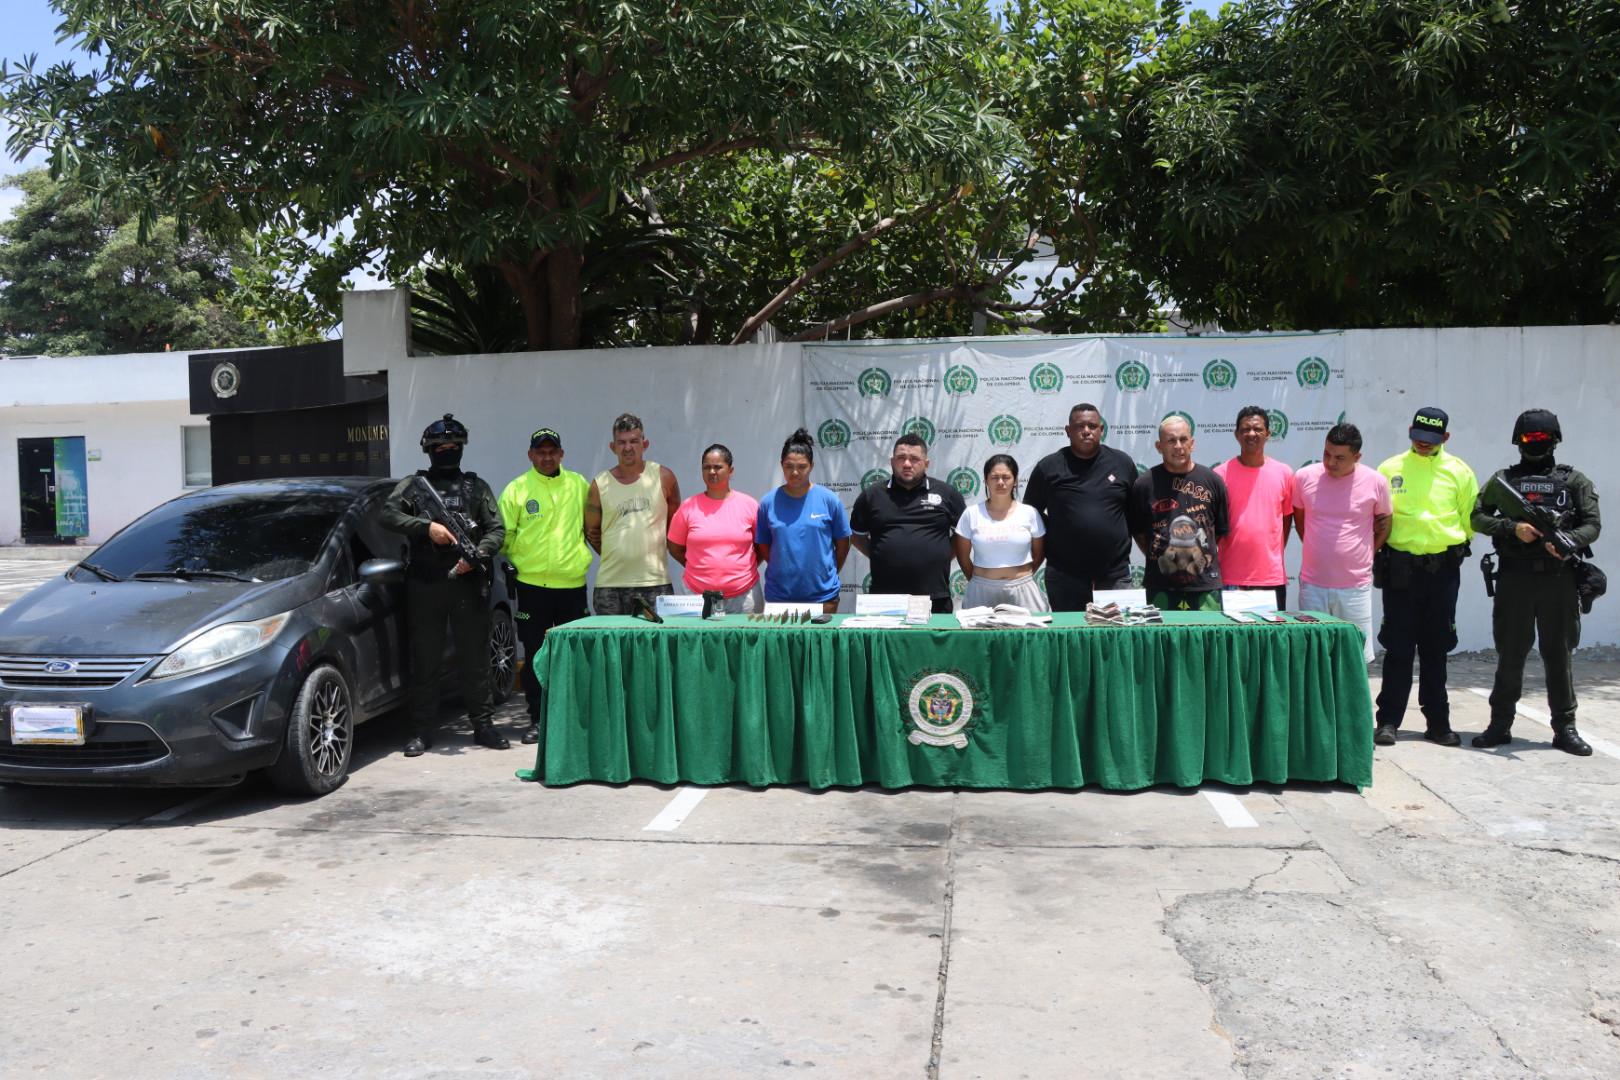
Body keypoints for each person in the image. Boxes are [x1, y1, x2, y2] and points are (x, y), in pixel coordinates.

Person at [1469, 409, 1601, 755]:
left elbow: (1592, 524)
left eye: (1542, 440)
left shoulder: (1575, 481)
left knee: (1558, 653)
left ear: (1555, 441)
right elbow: (1478, 517)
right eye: (1529, 439)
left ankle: (1565, 727)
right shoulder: (1505, 482)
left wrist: (1568, 542)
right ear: (1518, 442)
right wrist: (1513, 528)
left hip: (1559, 580)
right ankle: (1500, 724)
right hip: (1515, 578)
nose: (1536, 445)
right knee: (1511, 653)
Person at [380, 413, 510, 756]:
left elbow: (496, 529)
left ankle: (483, 726)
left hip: (467, 583)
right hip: (426, 583)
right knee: (425, 659)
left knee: (475, 658)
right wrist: (427, 529)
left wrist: (478, 554)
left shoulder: (475, 487)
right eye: (441, 447)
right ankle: (422, 730)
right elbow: (388, 514)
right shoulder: (414, 486)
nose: (448, 451)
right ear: (429, 450)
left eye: (453, 446)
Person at [1373, 406, 1478, 748]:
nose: (1423, 444)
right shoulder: (1389, 469)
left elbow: (1468, 521)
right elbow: (1377, 517)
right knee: (1398, 647)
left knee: (1436, 648)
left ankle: (1438, 723)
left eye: (1431, 440)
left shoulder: (1459, 472)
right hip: (1400, 571)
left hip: (1442, 573)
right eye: (1418, 437)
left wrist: (1442, 549)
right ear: (1410, 432)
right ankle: (1388, 721)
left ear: (1445, 438)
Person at [498, 426, 593, 746]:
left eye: (553, 451)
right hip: (532, 587)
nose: (547, 456)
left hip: (572, 585)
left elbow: (592, 527)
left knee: (574, 655)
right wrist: (520, 564)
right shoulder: (517, 489)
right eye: (541, 451)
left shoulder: (579, 485)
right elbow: (504, 537)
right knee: (536, 655)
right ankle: (538, 719)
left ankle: (574, 719)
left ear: (562, 454)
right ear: (531, 455)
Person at [1023, 403, 1139, 610]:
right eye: (1079, 426)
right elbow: (1029, 514)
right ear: (1068, 431)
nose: (1086, 431)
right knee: (1071, 638)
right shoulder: (1049, 467)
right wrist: (1060, 530)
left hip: (1115, 575)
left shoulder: (1122, 463)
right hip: (1065, 575)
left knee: (1116, 637)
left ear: (1101, 430)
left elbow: (1135, 512)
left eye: (1092, 426)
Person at [1292, 423, 1392, 664]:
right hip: (1313, 586)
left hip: (1355, 587)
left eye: (1340, 457)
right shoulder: (1304, 477)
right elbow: (1300, 520)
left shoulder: (1376, 482)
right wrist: (1320, 549)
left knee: (1354, 657)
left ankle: (1354, 704)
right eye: (1327, 454)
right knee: (1313, 656)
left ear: (1357, 457)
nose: (1331, 462)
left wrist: (1366, 552)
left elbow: (1385, 524)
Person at [850, 433, 967, 613]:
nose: (907, 464)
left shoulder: (947, 494)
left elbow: (963, 536)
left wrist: (941, 555)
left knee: (931, 642)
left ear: (926, 463)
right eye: (901, 458)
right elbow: (857, 537)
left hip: (934, 597)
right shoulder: (872, 495)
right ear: (892, 461)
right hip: (884, 598)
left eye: (914, 459)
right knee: (884, 642)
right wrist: (879, 553)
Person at [1128, 415, 1229, 611]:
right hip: (1160, 587)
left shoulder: (1213, 481)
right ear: (1159, 446)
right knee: (1161, 640)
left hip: (1205, 586)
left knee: (1206, 639)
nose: (1178, 446)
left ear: (1192, 443)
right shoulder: (1144, 484)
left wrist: (1201, 553)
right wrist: (1160, 552)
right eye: (1171, 440)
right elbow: (1139, 532)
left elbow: (1220, 531)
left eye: (1183, 439)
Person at [585, 413, 681, 615]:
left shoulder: (664, 477)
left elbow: (675, 529)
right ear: (613, 447)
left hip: (655, 582)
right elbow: (591, 532)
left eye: (634, 441)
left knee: (655, 645)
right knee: (613, 646)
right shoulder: (599, 484)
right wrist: (619, 554)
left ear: (644, 444)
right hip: (610, 586)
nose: (628, 447)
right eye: (621, 442)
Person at [756, 428, 852, 614]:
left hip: (823, 597)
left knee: (821, 644)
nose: (795, 472)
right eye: (789, 466)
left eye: (802, 467)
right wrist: (783, 564)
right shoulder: (768, 503)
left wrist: (825, 572)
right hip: (780, 597)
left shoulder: (829, 500)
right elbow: (764, 546)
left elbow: (843, 544)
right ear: (781, 465)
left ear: (812, 466)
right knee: (782, 645)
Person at [1213, 406, 1294, 610]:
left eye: (1257, 429)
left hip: (1271, 578)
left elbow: (1285, 521)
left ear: (1268, 434)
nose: (1251, 434)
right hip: (1230, 577)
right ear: (1236, 435)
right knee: (1232, 641)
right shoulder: (1219, 475)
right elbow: (1214, 527)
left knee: (1271, 640)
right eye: (1245, 429)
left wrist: (1269, 553)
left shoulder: (1284, 473)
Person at [667, 444, 761, 613]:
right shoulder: (688, 507)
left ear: (731, 470)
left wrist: (744, 568)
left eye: (718, 467)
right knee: (697, 641)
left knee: (747, 640)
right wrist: (697, 566)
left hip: (745, 597)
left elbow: (761, 547)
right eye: (707, 467)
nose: (712, 472)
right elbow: (674, 547)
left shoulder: (749, 505)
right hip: (696, 597)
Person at [952, 455, 1048, 611]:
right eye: (994, 477)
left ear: (1015, 480)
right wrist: (983, 579)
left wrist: (1021, 576)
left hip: (1023, 589)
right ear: (985, 480)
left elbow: (1039, 553)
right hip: (981, 590)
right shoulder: (971, 514)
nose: (1001, 482)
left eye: (1006, 477)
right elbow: (963, 557)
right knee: (979, 635)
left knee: (1028, 635)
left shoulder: (1029, 513)